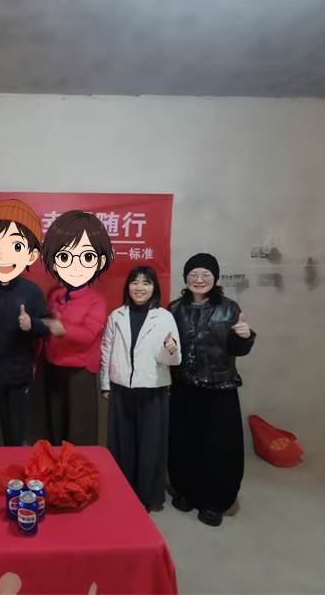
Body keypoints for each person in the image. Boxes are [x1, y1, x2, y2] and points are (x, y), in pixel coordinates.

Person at [167, 253, 256, 527]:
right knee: (183, 442)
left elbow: (237, 349)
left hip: (220, 389)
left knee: (219, 447)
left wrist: (245, 337)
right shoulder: (174, 309)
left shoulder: (229, 309)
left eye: (206, 274)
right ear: (186, 278)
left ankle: (215, 501)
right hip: (184, 388)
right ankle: (185, 491)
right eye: (193, 274)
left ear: (215, 278)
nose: (199, 279)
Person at [0, 199, 64, 446]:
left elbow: (46, 325)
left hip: (17, 376)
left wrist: (32, 324)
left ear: (29, 255)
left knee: (15, 436)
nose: (4, 255)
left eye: (15, 247)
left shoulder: (30, 291)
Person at [100, 266, 181, 511]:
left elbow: (173, 358)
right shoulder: (117, 315)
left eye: (146, 283)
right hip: (121, 387)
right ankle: (122, 491)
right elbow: (106, 350)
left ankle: (147, 495)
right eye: (135, 282)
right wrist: (105, 384)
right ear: (128, 287)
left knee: (151, 446)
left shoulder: (164, 317)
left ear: (154, 288)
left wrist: (170, 349)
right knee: (122, 444)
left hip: (153, 388)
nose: (140, 288)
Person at [40, 210, 113, 446]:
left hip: (79, 371)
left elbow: (90, 335)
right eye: (65, 257)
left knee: (78, 428)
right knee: (54, 424)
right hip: (53, 368)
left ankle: (77, 468)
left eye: (85, 257)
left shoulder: (95, 300)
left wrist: (63, 330)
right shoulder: (56, 295)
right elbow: (47, 330)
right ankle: (54, 463)